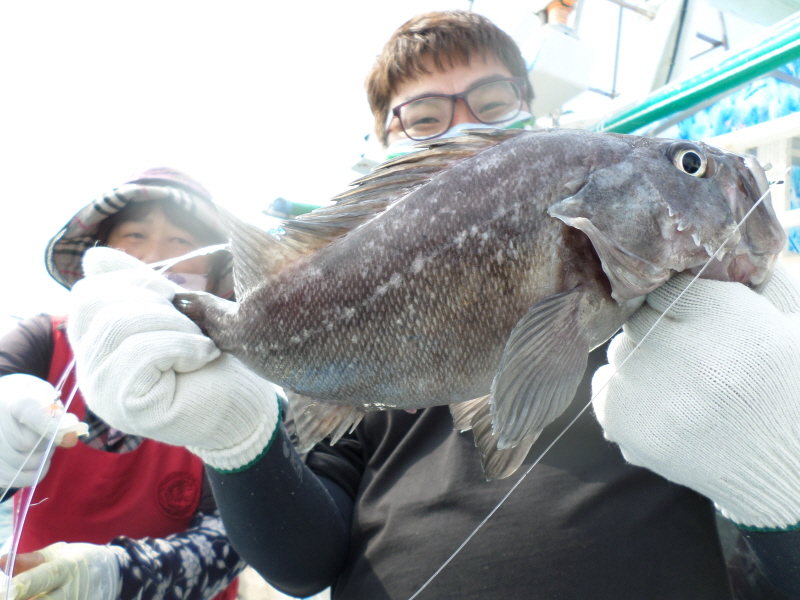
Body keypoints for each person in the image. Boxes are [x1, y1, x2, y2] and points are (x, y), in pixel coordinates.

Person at [60, 11, 800, 600]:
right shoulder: (340, 320)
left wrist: (780, 482)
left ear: (528, 113)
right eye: (421, 118)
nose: (465, 127)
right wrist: (237, 440)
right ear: (384, 143)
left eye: (492, 102)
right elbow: (301, 565)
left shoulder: (695, 320)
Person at [0, 168, 255, 600]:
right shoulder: (44, 341)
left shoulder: (237, 381)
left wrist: (120, 575)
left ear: (215, 276)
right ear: (100, 254)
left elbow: (241, 535)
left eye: (181, 241)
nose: (153, 256)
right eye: (134, 235)